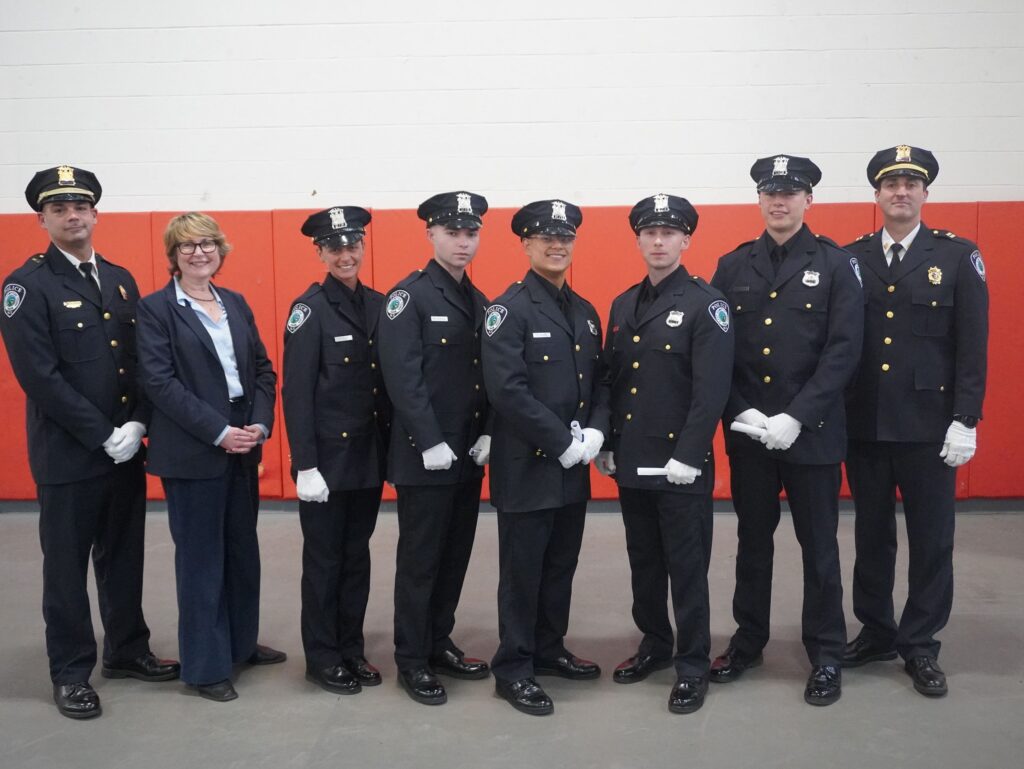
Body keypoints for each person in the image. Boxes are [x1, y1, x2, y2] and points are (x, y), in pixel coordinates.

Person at [0, 166, 179, 720]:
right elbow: (39, 376)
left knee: (124, 556)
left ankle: (126, 650)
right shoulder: (26, 286)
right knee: (66, 568)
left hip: (125, 448)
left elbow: (142, 363)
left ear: (95, 214)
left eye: (80, 207)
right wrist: (102, 433)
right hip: (69, 455)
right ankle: (71, 671)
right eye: (59, 209)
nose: (72, 216)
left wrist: (138, 424)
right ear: (42, 220)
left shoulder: (121, 279)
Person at [709, 155, 863, 706]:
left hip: (812, 433)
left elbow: (844, 350)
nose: (779, 201)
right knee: (752, 541)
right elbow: (716, 351)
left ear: (808, 200)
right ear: (759, 199)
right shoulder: (732, 265)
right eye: (770, 192)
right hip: (751, 435)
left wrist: (797, 416)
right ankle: (748, 641)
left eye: (791, 192)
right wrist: (742, 411)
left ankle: (826, 652)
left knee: (819, 546)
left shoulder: (837, 265)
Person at [842, 146, 989, 697]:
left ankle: (921, 642)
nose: (900, 191)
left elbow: (972, 345)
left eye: (910, 183)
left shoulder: (957, 255)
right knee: (871, 535)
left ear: (925, 193)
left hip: (931, 428)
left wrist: (965, 418)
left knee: (931, 539)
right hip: (866, 423)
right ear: (877, 194)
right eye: (891, 184)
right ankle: (876, 631)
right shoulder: (851, 257)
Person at [136, 212, 283, 703]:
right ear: (173, 255)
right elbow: (159, 383)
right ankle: (204, 667)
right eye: (187, 246)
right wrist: (219, 432)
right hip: (194, 449)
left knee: (242, 553)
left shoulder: (234, 302)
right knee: (201, 562)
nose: (199, 253)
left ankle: (240, 644)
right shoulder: (156, 309)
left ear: (221, 250)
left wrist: (259, 424)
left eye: (207, 244)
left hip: (243, 442)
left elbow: (262, 369)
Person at [596, 194, 734, 714]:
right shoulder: (623, 303)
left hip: (681, 466)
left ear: (685, 241)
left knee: (687, 568)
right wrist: (610, 442)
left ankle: (692, 664)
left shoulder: (707, 304)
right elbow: (613, 379)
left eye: (669, 233)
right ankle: (655, 643)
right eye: (649, 233)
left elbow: (711, 390)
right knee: (645, 563)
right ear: (638, 240)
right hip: (634, 462)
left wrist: (691, 453)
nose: (658, 241)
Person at [482, 199, 609, 716]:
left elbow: (600, 380)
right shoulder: (507, 310)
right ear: (526, 244)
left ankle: (549, 648)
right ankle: (514, 667)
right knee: (522, 573)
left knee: (560, 565)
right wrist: (562, 442)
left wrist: (597, 430)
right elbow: (507, 391)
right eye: (546, 238)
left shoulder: (584, 311)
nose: (558, 246)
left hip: (572, 468)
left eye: (566, 238)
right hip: (528, 467)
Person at [377, 191, 492, 706]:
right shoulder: (409, 298)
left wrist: (488, 431)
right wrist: (429, 440)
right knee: (421, 561)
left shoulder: (478, 300)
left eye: (471, 233)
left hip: (467, 455)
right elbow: (402, 379)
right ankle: (411, 659)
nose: (462, 242)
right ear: (430, 235)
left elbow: (485, 377)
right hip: (425, 457)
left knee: (454, 556)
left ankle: (438, 640)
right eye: (452, 232)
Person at [282, 206, 390, 695]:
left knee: (356, 558)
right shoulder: (309, 310)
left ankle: (352, 648)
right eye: (335, 247)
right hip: (326, 464)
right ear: (320, 253)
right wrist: (304, 464)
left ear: (362, 248)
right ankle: (322, 656)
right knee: (325, 562)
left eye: (353, 245)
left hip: (367, 457)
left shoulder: (380, 304)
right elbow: (296, 392)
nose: (345, 255)